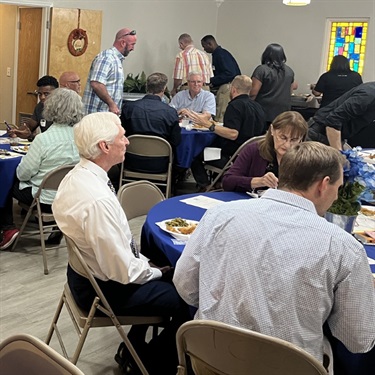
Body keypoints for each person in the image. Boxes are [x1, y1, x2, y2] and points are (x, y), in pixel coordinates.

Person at [173, 141, 375, 373]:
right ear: (323, 185)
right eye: (338, 189)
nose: (336, 197)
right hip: (288, 368)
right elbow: (358, 339)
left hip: (211, 360)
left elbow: (185, 286)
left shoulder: (219, 215)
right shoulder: (343, 247)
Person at [52, 112, 190, 375]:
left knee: (166, 273)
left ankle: (135, 345)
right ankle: (147, 360)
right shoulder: (98, 201)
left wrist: (147, 265)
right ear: (104, 146)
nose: (127, 141)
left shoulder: (76, 175)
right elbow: (123, 273)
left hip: (82, 276)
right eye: (122, 136)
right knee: (190, 298)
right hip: (103, 290)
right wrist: (157, 271)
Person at [0, 88, 82, 250]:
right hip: (70, 197)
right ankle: (57, 228)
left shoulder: (43, 140)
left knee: (5, 179)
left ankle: (7, 228)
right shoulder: (81, 136)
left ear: (50, 108)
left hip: (44, 200)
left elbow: (23, 174)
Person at [188, 75, 265, 191]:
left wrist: (209, 125)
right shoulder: (258, 107)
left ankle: (206, 186)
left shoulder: (235, 106)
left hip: (232, 157)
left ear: (233, 89)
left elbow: (233, 134)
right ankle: (219, 182)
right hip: (253, 156)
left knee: (194, 153)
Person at [222, 111, 307, 192]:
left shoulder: (305, 159)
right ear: (272, 130)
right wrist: (259, 181)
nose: (287, 145)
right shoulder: (255, 150)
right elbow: (227, 181)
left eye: (294, 140)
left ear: (301, 139)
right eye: (283, 137)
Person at [121, 72, 181, 173]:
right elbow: (176, 141)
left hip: (131, 160)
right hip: (160, 163)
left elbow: (122, 134)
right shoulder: (170, 112)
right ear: (164, 88)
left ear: (146, 86)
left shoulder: (129, 108)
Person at [82, 28, 137, 115]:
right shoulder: (107, 57)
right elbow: (96, 83)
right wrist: (112, 104)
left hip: (106, 116)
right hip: (97, 117)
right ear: (123, 43)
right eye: (132, 44)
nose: (133, 48)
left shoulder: (116, 60)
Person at [307, 81, 375, 149]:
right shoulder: (367, 96)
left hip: (333, 134)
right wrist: (339, 154)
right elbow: (332, 121)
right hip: (320, 134)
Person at [250, 43, 296, 130]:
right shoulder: (290, 71)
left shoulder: (262, 70)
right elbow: (290, 92)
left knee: (262, 139)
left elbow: (253, 92)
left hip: (263, 112)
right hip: (283, 114)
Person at [201, 35, 241, 122]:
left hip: (227, 86)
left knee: (220, 115)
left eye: (204, 46)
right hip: (230, 85)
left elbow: (230, 73)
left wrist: (211, 80)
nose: (204, 49)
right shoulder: (221, 53)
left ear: (210, 44)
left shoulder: (220, 55)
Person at [8, 75, 59, 139]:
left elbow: (58, 136)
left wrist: (31, 136)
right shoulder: (40, 106)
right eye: (40, 94)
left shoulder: (63, 108)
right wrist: (16, 131)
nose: (42, 97)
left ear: (57, 93)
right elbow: (30, 126)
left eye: (46, 94)